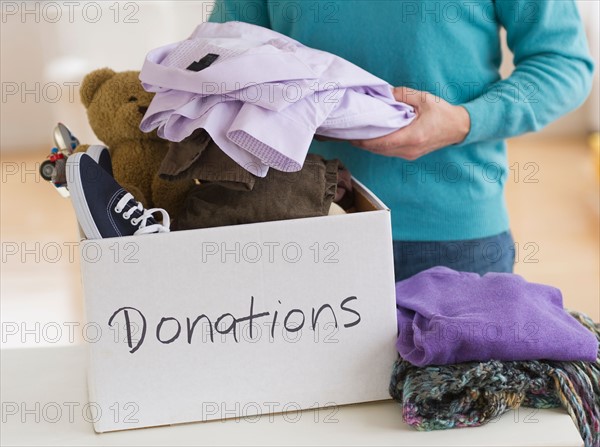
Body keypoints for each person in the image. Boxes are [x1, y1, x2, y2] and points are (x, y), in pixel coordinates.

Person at [208, 0, 594, 280]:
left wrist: (464, 121)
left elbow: (563, 62)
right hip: (298, 229)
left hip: (452, 240)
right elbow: (224, 52)